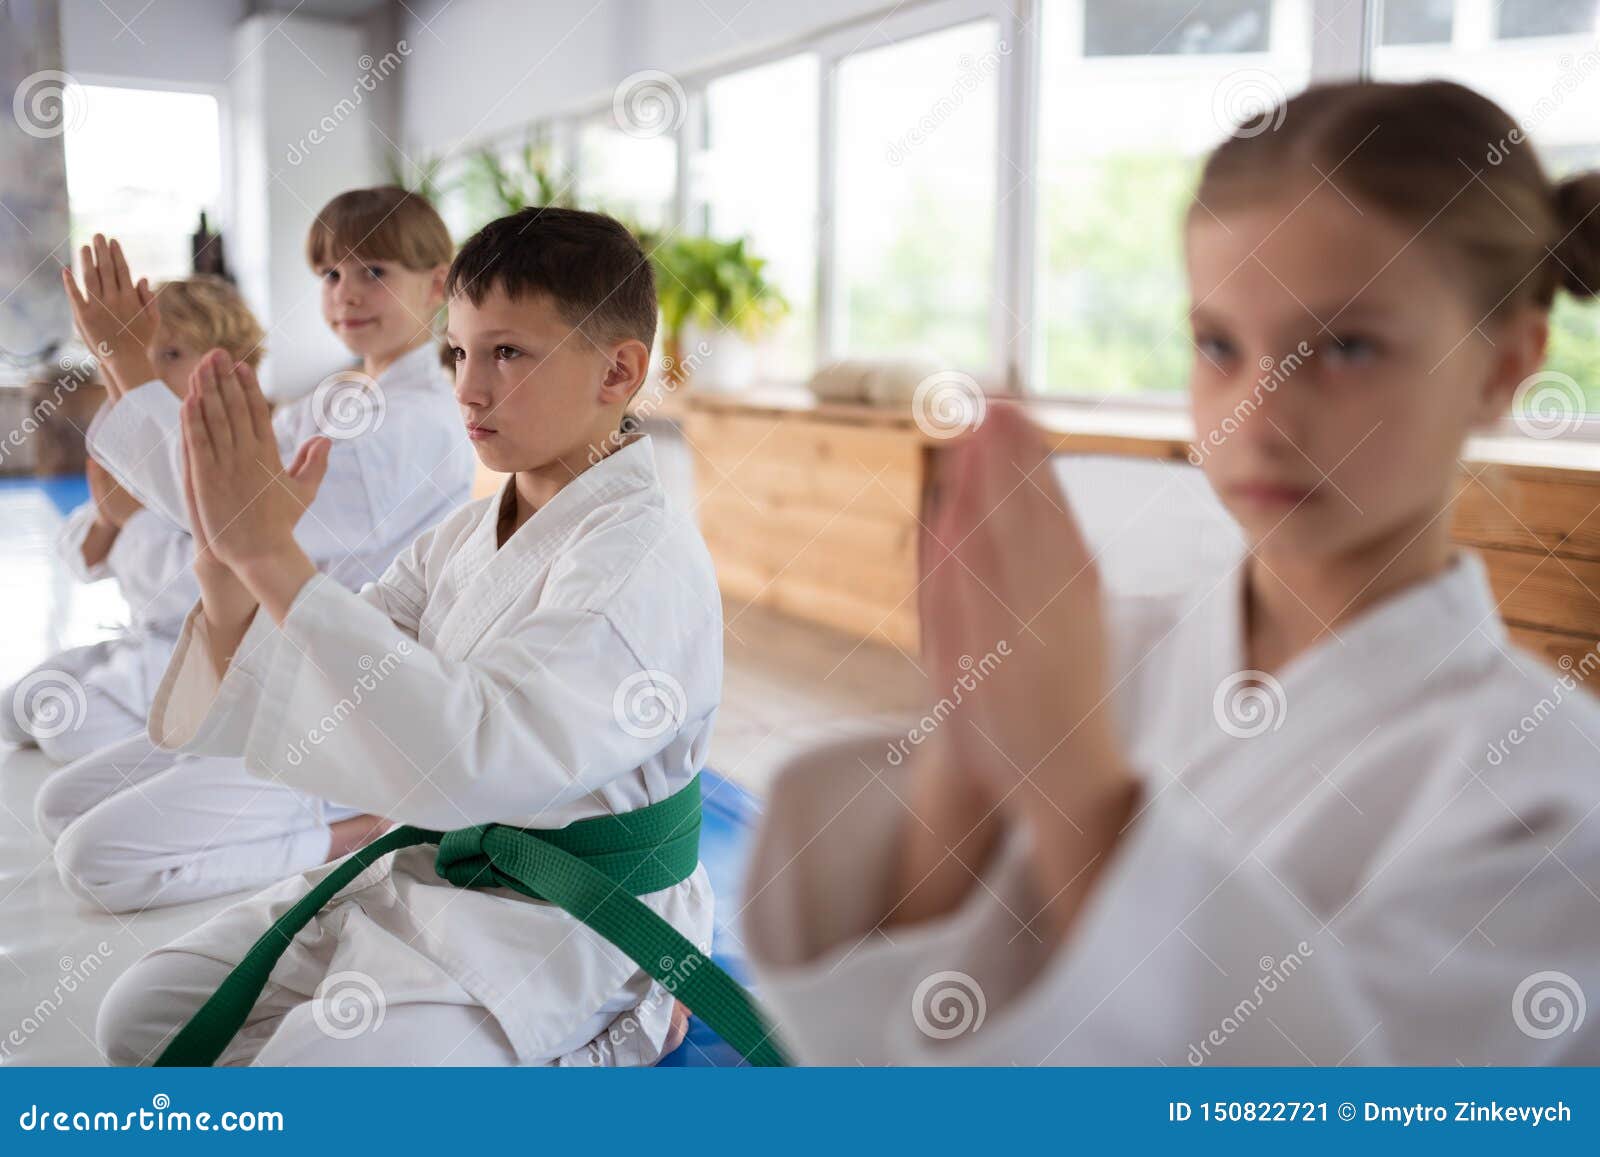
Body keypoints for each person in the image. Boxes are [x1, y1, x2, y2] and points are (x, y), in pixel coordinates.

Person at [740, 80, 1600, 1065]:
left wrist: (1077, 795)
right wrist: (968, 765)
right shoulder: (1101, 653)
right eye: (1217, 345)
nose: (1260, 417)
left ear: (1502, 367)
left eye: (1347, 347)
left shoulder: (1551, 799)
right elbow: (890, 1029)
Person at [96, 207, 723, 1067]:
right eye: (460, 352)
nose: (470, 387)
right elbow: (340, 665)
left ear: (618, 370)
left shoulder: (636, 562)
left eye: (507, 353)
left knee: (307, 1077)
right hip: (432, 871)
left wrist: (274, 560)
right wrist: (224, 567)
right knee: (140, 1020)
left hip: (564, 918)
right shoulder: (466, 535)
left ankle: (633, 1017)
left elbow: (482, 758)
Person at [39, 188, 476, 912]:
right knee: (60, 804)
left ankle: (343, 830)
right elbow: (208, 476)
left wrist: (124, 359)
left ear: (437, 285)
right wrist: (123, 361)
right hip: (269, 675)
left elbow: (226, 503)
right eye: (331, 275)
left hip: (336, 716)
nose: (346, 294)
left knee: (96, 860)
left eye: (375, 271)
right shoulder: (334, 402)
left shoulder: (418, 425)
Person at [3, 277, 261, 764]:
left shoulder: (242, 445)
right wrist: (107, 517)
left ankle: (194, 740)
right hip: (142, 639)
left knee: (66, 732)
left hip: (201, 650)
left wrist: (135, 518)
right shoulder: (138, 439)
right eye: (143, 356)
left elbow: (211, 580)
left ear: (230, 361)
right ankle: (144, 713)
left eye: (172, 355)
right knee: (12, 708)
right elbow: (84, 561)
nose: (150, 372)